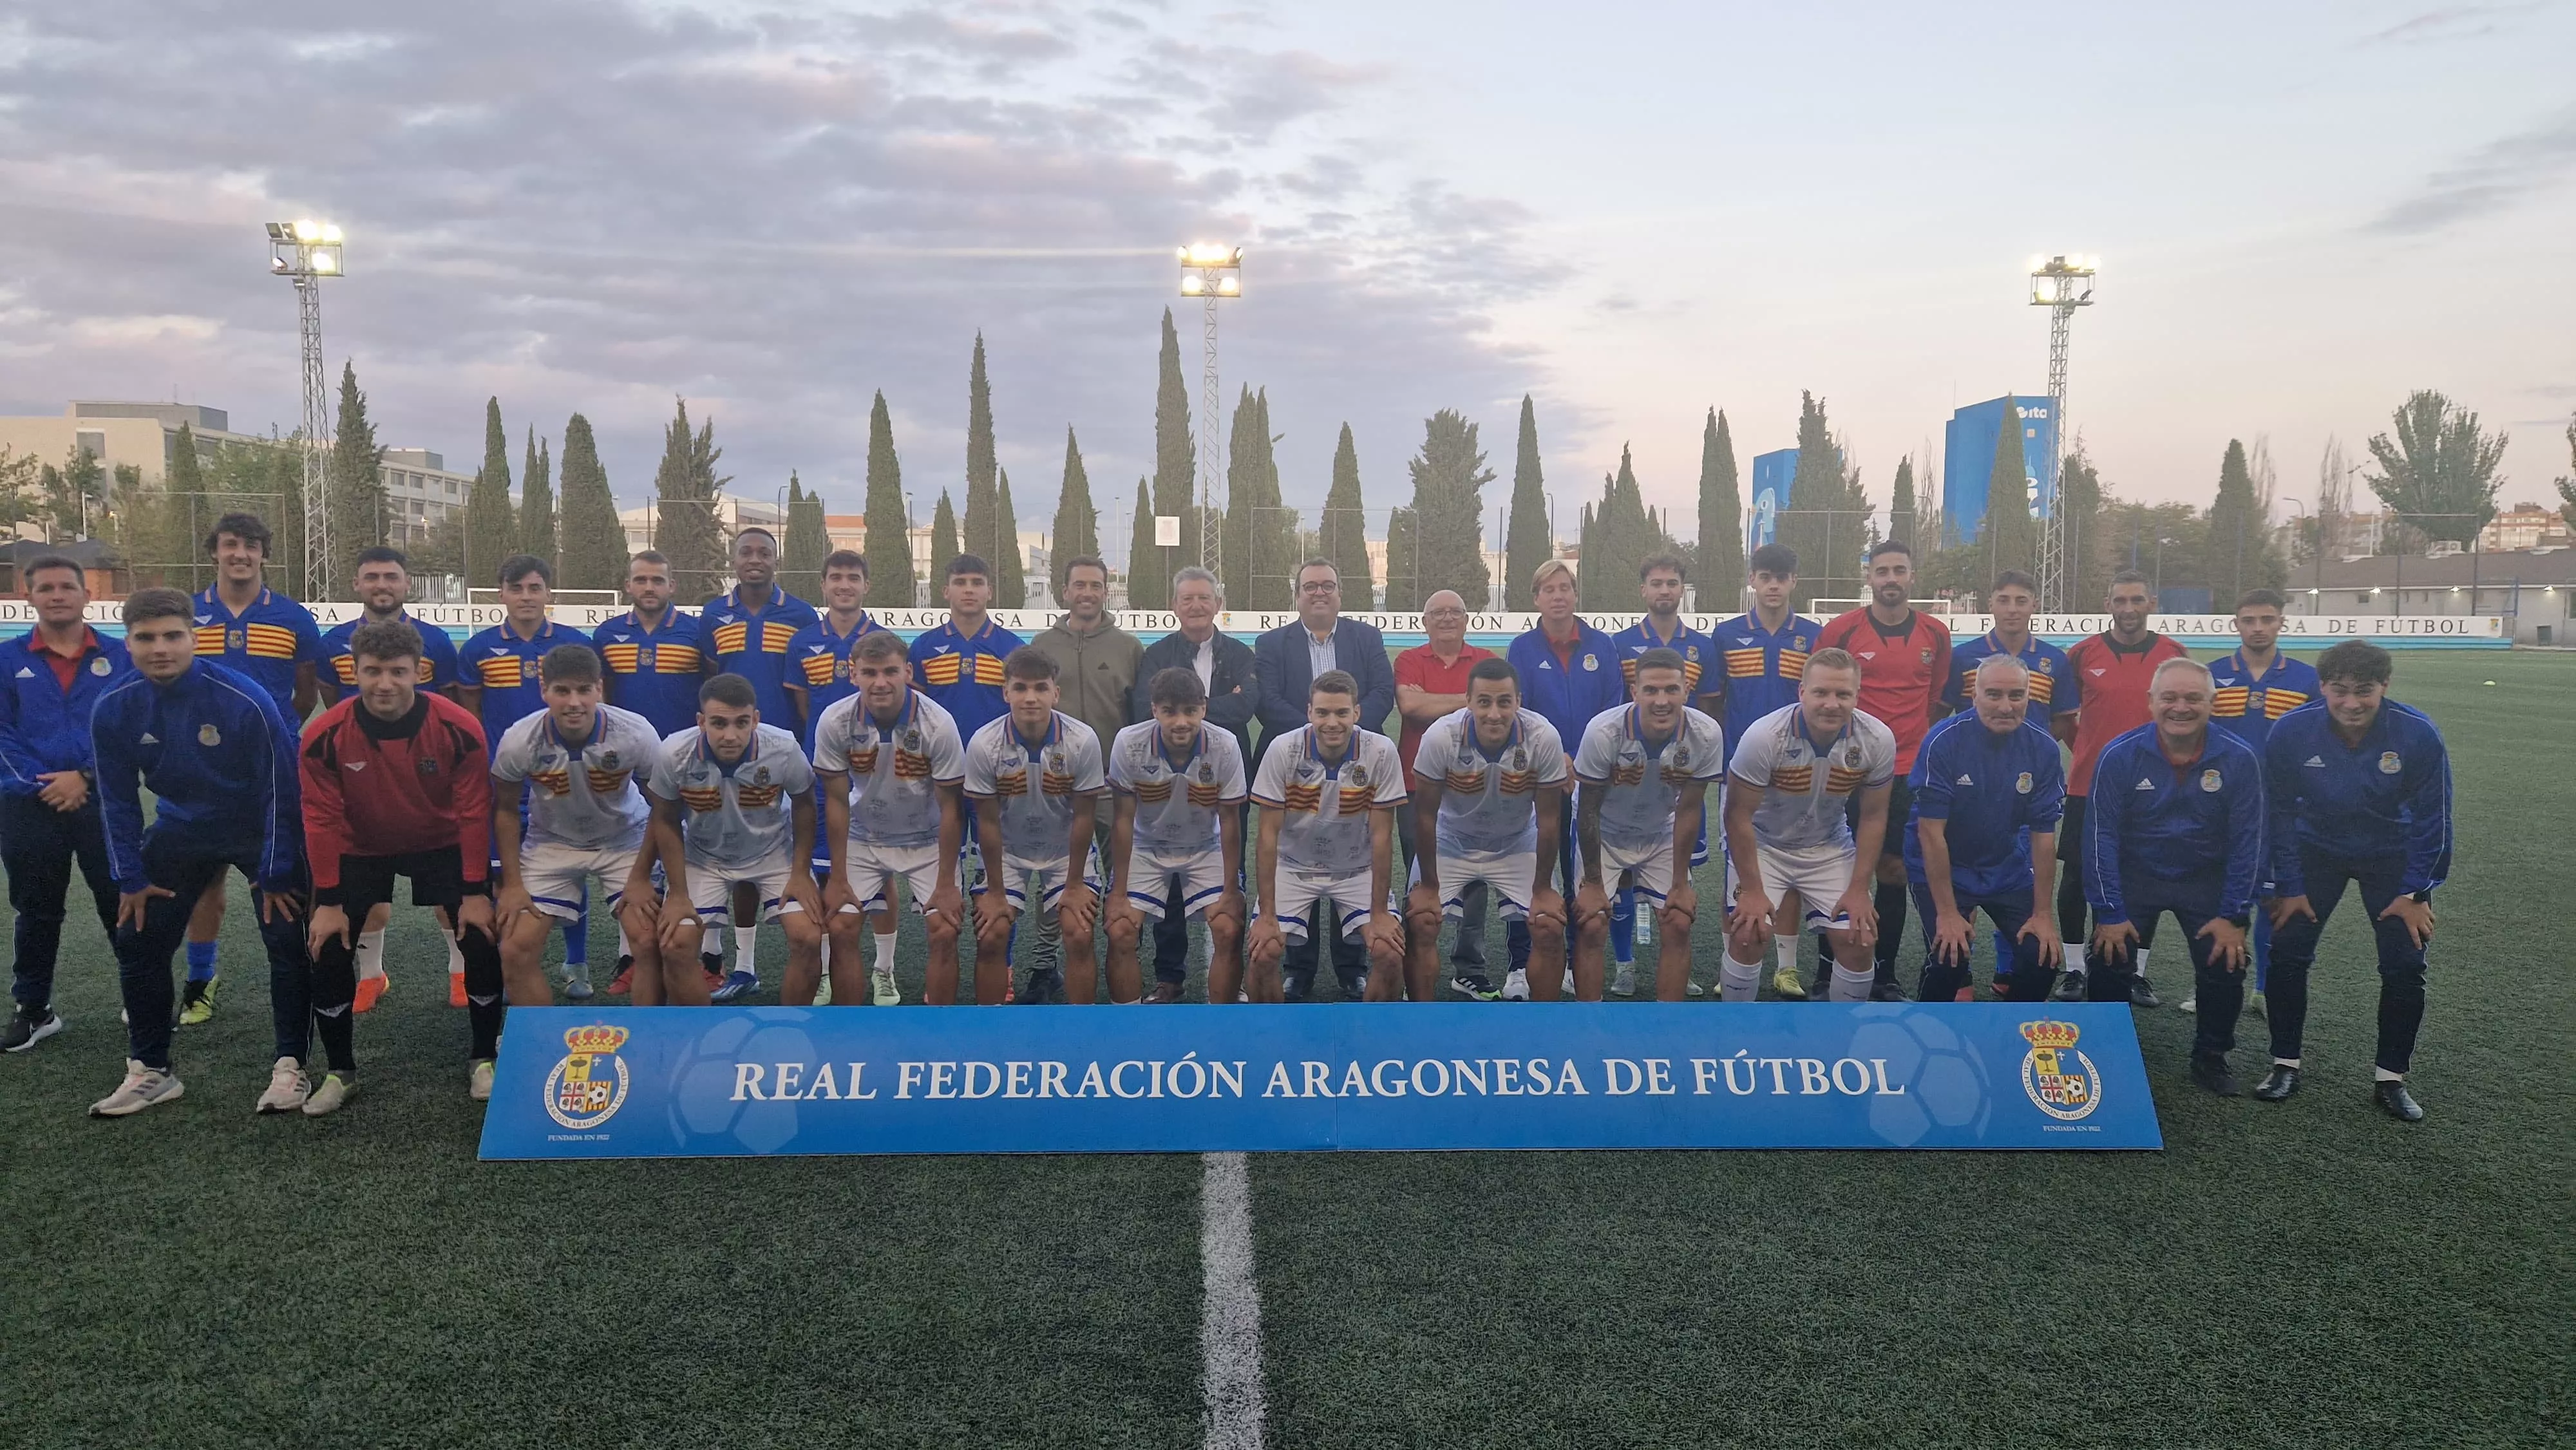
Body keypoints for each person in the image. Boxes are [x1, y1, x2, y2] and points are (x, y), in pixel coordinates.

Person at [88, 589, 316, 1116]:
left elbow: (282, 788)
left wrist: (278, 868)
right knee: (137, 936)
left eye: (172, 636)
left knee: (286, 937)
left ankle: (291, 1066)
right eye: (146, 638)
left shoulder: (243, 698)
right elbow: (116, 800)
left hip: (257, 827)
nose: (160, 648)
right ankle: (151, 1071)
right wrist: (130, 877)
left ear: (194, 638)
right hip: (182, 827)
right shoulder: (114, 707)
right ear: (129, 644)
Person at [299, 619, 508, 1107]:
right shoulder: (324, 735)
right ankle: (339, 1071)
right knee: (327, 942)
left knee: (480, 934)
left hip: (440, 841)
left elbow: (475, 811)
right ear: (354, 672)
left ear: (419, 671)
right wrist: (327, 901)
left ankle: (482, 1058)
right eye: (373, 671)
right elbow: (321, 819)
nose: (385, 683)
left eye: (398, 671)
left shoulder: (459, 728)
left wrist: (476, 893)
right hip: (360, 845)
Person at [2257, 641, 2450, 1121]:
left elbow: (2435, 821)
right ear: (2322, 687)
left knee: (2405, 966)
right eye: (2339, 691)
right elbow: (2276, 813)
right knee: (2287, 953)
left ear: (2384, 687)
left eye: (2364, 691)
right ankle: (2285, 1064)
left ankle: (2391, 1079)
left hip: (2392, 856)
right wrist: (2288, 884)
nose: (2351, 703)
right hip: (2314, 850)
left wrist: (2415, 892)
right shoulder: (2291, 731)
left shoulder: (2418, 734)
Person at [2081, 659, 2268, 1097]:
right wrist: (2109, 911)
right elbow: (2100, 837)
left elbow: (2250, 843)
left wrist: (2235, 915)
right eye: (2169, 697)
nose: (2180, 707)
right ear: (2151, 702)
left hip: (2205, 879)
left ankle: (2211, 1056)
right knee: (2110, 953)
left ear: (2212, 703)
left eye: (2192, 698)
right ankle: (2107, 1050)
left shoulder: (2240, 759)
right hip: (2136, 874)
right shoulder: (2120, 755)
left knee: (2227, 958)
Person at [178, 512, 323, 1027]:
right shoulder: (187, 613)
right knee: (204, 882)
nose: (240, 554)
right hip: (199, 770)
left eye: (251, 546)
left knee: (283, 877)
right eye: (230, 544)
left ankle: (300, 976)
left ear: (264, 553)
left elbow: (305, 693)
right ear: (214, 551)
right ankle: (200, 980)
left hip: (271, 773)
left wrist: (277, 733)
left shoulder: (292, 616)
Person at [489, 646, 677, 1018]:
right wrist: (511, 885)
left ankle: (649, 1037)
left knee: (648, 941)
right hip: (552, 844)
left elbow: (665, 807)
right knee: (514, 949)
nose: (574, 702)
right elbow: (507, 811)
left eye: (584, 690)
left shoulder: (635, 732)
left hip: (626, 840)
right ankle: (546, 1041)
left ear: (600, 689)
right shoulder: (519, 739)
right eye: (562, 691)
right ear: (544, 690)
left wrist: (641, 876)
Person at [317, 546, 464, 1012]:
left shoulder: (436, 641)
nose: (382, 585)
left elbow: (450, 707)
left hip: (424, 783)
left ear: (405, 585)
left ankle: (461, 972)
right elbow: (329, 699)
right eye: (372, 577)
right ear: (358, 585)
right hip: (359, 782)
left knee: (447, 890)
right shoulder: (333, 643)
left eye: (391, 577)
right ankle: (372, 976)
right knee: (367, 891)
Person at [0, 557, 129, 1053]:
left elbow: (130, 729)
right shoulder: (8, 660)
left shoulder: (120, 657)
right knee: (35, 910)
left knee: (122, 901)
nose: (57, 595)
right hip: (28, 807)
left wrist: (87, 777)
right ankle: (34, 1010)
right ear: (27, 595)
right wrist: (44, 785)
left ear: (85, 595)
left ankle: (140, 997)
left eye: (67, 587)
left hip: (104, 803)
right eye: (46, 587)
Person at [1718, 647, 1895, 1004]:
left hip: (1828, 846)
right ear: (1802, 693)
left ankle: (1844, 1039)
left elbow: (1875, 817)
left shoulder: (1877, 738)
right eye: (1821, 693)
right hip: (1764, 845)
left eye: (1843, 694)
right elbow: (1737, 815)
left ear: (1857, 696)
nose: (1832, 704)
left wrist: (1860, 888)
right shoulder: (1765, 736)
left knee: (1859, 938)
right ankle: (1733, 1030)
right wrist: (1752, 890)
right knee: (1749, 934)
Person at [1251, 559, 1394, 1001]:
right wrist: (1316, 732)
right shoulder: (1271, 642)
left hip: (1356, 759)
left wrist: (1344, 729)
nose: (1319, 593)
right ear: (1296, 595)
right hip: (1293, 762)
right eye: (1310, 586)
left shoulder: (1365, 637)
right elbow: (1268, 701)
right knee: (1301, 851)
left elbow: (1382, 693)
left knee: (1350, 849)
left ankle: (1351, 966)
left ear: (1339, 593)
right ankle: (1299, 967)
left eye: (1327, 586)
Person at [1815, 540, 1950, 1001]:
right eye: (1882, 571)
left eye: (1899, 570)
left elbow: (1935, 699)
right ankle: (1825, 972)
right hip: (1843, 770)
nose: (1891, 579)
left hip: (1906, 772)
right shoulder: (1841, 630)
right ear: (1869, 577)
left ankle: (1885, 974)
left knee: (1893, 871)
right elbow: (1821, 695)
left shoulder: (1935, 633)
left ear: (1912, 576)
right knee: (1832, 868)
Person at [645, 675, 824, 1005]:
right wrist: (679, 893)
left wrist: (800, 873)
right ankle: (701, 1038)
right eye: (718, 723)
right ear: (701, 722)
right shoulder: (674, 752)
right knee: (676, 944)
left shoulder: (782, 748)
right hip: (703, 858)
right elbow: (665, 818)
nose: (731, 735)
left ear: (755, 719)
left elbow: (805, 803)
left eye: (742, 723)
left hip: (773, 855)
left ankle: (793, 1030)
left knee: (808, 937)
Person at [460, 555, 594, 1001]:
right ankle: (509, 961)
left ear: (549, 594)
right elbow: (470, 716)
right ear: (501, 593)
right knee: (504, 877)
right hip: (507, 781)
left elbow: (595, 710)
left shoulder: (574, 645)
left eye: (535, 588)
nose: (526, 597)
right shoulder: (478, 649)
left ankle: (576, 963)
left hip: (566, 780)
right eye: (516, 588)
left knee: (574, 870)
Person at [1940, 569, 2077, 999]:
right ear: (1991, 604)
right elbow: (1946, 713)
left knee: (2017, 873)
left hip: (2026, 785)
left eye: (2021, 600)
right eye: (2004, 599)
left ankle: (2007, 969)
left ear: (2034, 604)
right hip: (1972, 784)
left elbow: (2060, 718)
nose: (2013, 608)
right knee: (1968, 870)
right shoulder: (1965, 657)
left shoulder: (2055, 659)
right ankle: (1959, 972)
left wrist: (2029, 758)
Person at [697, 528, 821, 1000]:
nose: (755, 559)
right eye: (746, 551)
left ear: (776, 560)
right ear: (734, 558)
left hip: (778, 754)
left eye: (763, 553)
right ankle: (738, 964)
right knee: (730, 852)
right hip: (726, 753)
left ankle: (785, 964)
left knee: (771, 855)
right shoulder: (714, 614)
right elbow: (712, 680)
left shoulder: (800, 613)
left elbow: (803, 686)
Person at [2054, 570, 2188, 1004]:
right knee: (2076, 875)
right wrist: (2090, 753)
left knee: (2142, 880)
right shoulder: (2082, 653)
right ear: (2108, 604)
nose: (2128, 609)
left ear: (2152, 602)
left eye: (2136, 600)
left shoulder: (2174, 655)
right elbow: (2063, 715)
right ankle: (2075, 969)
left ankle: (2134, 972)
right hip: (2087, 786)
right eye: (2119, 601)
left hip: (2154, 791)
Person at [1401, 659, 1568, 1007]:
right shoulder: (1440, 736)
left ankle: (1547, 1027)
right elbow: (1426, 816)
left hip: (1516, 842)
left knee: (1549, 925)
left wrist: (1542, 890)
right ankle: (1419, 1022)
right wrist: (1430, 886)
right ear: (1468, 701)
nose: (1494, 713)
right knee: (1421, 921)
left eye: (1504, 702)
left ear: (1518, 701)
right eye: (1484, 702)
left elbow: (1550, 820)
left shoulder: (1543, 736)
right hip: (1452, 840)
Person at [815, 632, 969, 1007]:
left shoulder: (939, 723)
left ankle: (939, 1028)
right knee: (841, 925)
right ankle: (850, 1029)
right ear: (853, 675)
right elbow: (835, 801)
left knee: (944, 929)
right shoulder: (835, 720)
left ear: (908, 672)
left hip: (928, 839)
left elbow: (952, 808)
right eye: (869, 672)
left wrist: (947, 883)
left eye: (890, 672)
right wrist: (836, 876)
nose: (880, 682)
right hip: (864, 837)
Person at [1906, 656, 2067, 1003]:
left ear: (2029, 697)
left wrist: (2042, 915)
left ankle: (2012, 1037)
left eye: (2016, 695)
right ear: (1974, 696)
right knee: (1950, 956)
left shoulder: (2043, 748)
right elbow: (1931, 834)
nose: (2006, 706)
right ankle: (1928, 1032)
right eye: (1993, 694)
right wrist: (1948, 914)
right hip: (1944, 868)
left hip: (2003, 867)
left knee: (2042, 956)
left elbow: (2043, 838)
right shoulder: (1943, 741)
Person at [2192, 587, 2319, 1016]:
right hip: (2220, 805)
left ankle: (2263, 988)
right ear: (2236, 624)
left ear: (2282, 622)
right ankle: (2211, 981)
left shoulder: (2306, 679)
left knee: (2273, 897)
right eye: (2249, 620)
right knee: (2215, 893)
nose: (2258, 628)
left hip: (2283, 807)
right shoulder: (2210, 675)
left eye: (2267, 619)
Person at [1132, 567, 1256, 1001]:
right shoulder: (1158, 653)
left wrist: (1187, 711)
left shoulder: (1240, 652)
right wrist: (1213, 705)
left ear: (1218, 604)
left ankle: (1231, 978)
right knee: (1168, 877)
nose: (1197, 605)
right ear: (1175, 606)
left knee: (1227, 869)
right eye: (1188, 598)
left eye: (1205, 598)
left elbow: (1247, 709)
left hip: (1224, 773)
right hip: (1166, 778)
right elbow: (1141, 708)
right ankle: (1170, 976)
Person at [1569, 648, 1723, 1001]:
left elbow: (1689, 808)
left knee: (1679, 920)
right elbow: (1588, 808)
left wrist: (1680, 882)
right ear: (1634, 692)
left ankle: (1664, 1024)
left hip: (1660, 831)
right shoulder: (1603, 731)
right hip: (1605, 831)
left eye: (1671, 690)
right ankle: (1587, 1021)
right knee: (1592, 923)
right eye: (1651, 690)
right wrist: (1593, 882)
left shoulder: (1707, 733)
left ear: (1687, 691)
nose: (1661, 700)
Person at [1504, 558, 1624, 999]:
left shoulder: (1602, 645)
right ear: (1536, 598)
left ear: (1575, 595)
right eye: (1549, 589)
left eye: (1565, 588)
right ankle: (1520, 963)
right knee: (1533, 869)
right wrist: (1557, 760)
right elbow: (1520, 710)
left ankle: (1575, 962)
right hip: (1541, 776)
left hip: (1592, 777)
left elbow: (1614, 706)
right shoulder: (1522, 648)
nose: (1558, 596)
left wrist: (1585, 761)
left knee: (1580, 872)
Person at [1247, 671, 1406, 1001]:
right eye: (1322, 713)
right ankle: (1271, 1038)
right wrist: (1266, 916)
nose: (1332, 722)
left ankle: (1371, 1041)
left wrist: (1379, 913)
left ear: (1356, 714)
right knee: (1263, 953)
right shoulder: (1283, 749)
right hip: (1294, 866)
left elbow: (1381, 837)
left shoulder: (1380, 750)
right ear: (1309, 713)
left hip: (1356, 868)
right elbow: (1266, 836)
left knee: (1389, 953)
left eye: (1341, 713)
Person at [1607, 552, 1724, 998]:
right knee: (1622, 878)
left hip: (1682, 778)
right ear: (1643, 590)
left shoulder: (1702, 646)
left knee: (1679, 876)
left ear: (1681, 590)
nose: (1664, 591)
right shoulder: (1620, 644)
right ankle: (1624, 964)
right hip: (1634, 775)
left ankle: (1678, 965)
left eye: (1672, 583)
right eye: (1656, 583)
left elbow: (1711, 706)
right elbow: (1617, 712)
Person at [1708, 542, 1819, 999]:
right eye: (1765, 577)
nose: (1773, 585)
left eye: (1782, 577)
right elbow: (1715, 702)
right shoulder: (1727, 634)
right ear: (1752, 580)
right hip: (1742, 770)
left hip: (1800, 770)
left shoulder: (1813, 635)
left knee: (1790, 864)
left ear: (1794, 582)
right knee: (1738, 868)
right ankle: (1729, 961)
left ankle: (1786, 967)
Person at [1027, 555, 1141, 1002]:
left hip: (1113, 787)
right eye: (1080, 585)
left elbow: (1138, 720)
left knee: (1123, 877)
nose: (1088, 593)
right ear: (1065, 590)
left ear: (1106, 591)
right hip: (1056, 790)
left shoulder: (1128, 647)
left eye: (1096, 585)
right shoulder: (1042, 644)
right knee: (1055, 877)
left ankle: (1124, 954)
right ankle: (1042, 965)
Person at [964, 650, 1108, 1003]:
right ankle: (992, 1027)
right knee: (992, 934)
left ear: (1055, 694)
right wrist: (996, 892)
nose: (1031, 698)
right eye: (1021, 688)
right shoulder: (984, 742)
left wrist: (1074, 884)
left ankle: (1079, 1030)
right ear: (1006, 692)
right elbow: (986, 820)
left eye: (1041, 688)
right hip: (1008, 851)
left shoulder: (1082, 739)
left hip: (1064, 851)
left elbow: (1085, 815)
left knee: (1079, 931)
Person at [913, 554, 1025, 995]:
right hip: (940, 782)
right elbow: (916, 718)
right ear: (946, 591)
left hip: (995, 781)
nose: (969, 590)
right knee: (941, 873)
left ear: (989, 591)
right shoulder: (922, 648)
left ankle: (1005, 966)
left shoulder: (1011, 646)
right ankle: (942, 966)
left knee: (998, 873)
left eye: (978, 582)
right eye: (960, 582)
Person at [1104, 668, 1249, 1004]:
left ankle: (1222, 1019)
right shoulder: (1129, 742)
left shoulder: (1225, 745)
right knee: (1121, 928)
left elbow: (1230, 821)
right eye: (1169, 711)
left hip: (1204, 846)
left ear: (1204, 708)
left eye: (1190, 711)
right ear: (1154, 710)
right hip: (1146, 845)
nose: (1180, 721)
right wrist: (1119, 891)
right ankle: (1127, 1023)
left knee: (1228, 927)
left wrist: (1230, 890)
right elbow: (1123, 819)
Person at [780, 549, 886, 1004]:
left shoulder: (882, 639)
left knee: (881, 870)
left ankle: (885, 968)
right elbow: (805, 708)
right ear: (823, 585)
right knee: (824, 871)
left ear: (866, 585)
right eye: (836, 577)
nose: (845, 585)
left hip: (874, 773)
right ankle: (824, 970)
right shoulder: (804, 641)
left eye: (854, 577)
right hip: (821, 770)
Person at [1392, 589, 1500, 999]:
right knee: (1420, 876)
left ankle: (1468, 967)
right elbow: (1411, 709)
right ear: (1425, 621)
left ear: (1468, 619)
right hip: (1417, 781)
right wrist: (1473, 702)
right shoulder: (1408, 659)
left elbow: (1495, 711)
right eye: (1438, 612)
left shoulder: (1488, 659)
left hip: (1476, 786)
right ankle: (1417, 966)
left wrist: (1436, 701)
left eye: (1455, 612)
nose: (1448, 618)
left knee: (1475, 876)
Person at [592, 550, 706, 739]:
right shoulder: (606, 634)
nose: (649, 588)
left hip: (684, 745)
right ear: (628, 586)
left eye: (658, 581)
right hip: (625, 745)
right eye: (640, 580)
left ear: (672, 586)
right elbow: (602, 692)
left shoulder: (698, 631)